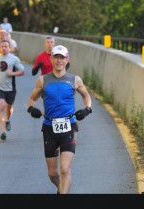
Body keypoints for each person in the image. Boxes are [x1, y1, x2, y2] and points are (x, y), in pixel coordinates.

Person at [27, 45, 92, 194]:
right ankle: (61, 188)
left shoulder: (75, 80)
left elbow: (86, 96)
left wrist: (86, 110)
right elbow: (31, 99)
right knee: (53, 174)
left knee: (65, 169)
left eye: (62, 57)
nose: (59, 60)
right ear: (51, 58)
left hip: (69, 126)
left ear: (67, 59)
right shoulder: (42, 80)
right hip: (49, 128)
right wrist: (31, 109)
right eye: (56, 57)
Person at [0, 40, 25, 140]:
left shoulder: (14, 59)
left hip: (10, 88)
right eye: (2, 46)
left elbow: (22, 71)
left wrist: (13, 74)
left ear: (9, 48)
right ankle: (3, 131)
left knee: (9, 108)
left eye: (6, 46)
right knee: (1, 106)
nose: (4, 48)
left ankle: (8, 120)